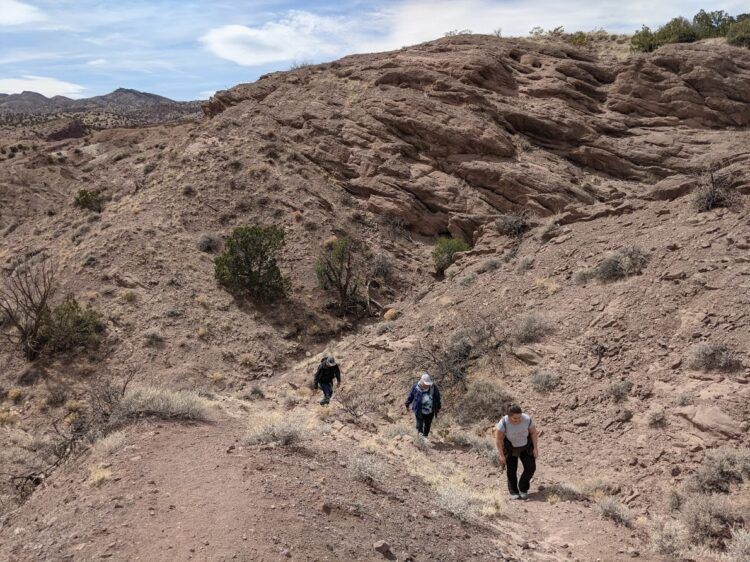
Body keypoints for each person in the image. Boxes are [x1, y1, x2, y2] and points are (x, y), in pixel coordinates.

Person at [495, 403, 538, 500]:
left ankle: (523, 488)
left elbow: (533, 433)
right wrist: (501, 455)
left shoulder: (527, 419)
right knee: (511, 470)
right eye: (515, 418)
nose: (518, 420)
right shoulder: (503, 423)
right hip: (510, 447)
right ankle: (514, 491)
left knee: (531, 467)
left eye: (519, 417)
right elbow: (498, 439)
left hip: (525, 446)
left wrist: (535, 448)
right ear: (509, 416)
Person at [405, 373, 441, 438]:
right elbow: (411, 396)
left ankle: (425, 436)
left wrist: (438, 407)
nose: (427, 385)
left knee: (428, 424)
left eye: (428, 384)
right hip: (419, 410)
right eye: (425, 384)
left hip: (430, 410)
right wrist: (407, 403)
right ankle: (420, 438)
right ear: (421, 381)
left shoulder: (433, 387)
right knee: (420, 425)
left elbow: (437, 397)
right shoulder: (416, 387)